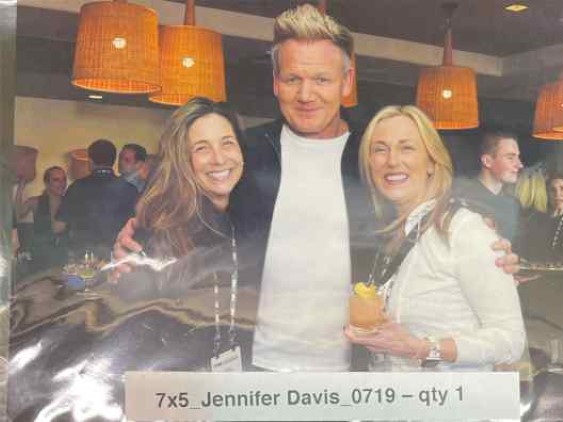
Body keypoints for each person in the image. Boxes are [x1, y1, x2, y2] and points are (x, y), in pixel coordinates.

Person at [113, 4, 519, 372]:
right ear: (276, 82)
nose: (306, 95)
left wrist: (487, 252)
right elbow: (187, 207)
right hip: (253, 367)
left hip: (356, 369)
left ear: (347, 81)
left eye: (322, 79)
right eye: (293, 79)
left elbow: (431, 205)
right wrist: (137, 240)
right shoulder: (246, 153)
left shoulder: (374, 156)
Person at [344, 105, 526, 371]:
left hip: (447, 397)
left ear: (431, 162)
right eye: (380, 149)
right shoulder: (388, 234)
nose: (392, 161)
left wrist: (421, 349)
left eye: (407, 148)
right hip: (390, 394)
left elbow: (510, 341)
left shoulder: (464, 229)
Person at [116, 97, 252, 370]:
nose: (219, 158)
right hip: (180, 380)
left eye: (227, 143)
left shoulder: (255, 219)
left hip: (247, 379)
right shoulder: (158, 227)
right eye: (202, 148)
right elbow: (134, 322)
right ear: (183, 160)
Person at [55, 139, 138, 259]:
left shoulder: (77, 187)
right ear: (113, 161)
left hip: (83, 257)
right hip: (117, 257)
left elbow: (59, 226)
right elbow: (137, 226)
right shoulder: (130, 190)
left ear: (90, 161)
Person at [453, 131, 523, 241]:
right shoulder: (461, 197)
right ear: (487, 161)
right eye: (510, 158)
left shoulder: (513, 204)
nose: (519, 165)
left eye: (518, 157)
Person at [521, 174, 563, 266]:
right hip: (538, 268)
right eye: (552, 190)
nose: (557, 194)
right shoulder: (537, 218)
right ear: (547, 194)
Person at [14, 166, 68, 270]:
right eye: (56, 180)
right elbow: (18, 214)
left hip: (63, 255)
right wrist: (21, 186)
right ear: (47, 183)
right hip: (41, 256)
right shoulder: (36, 201)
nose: (61, 183)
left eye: (63, 179)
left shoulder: (68, 202)